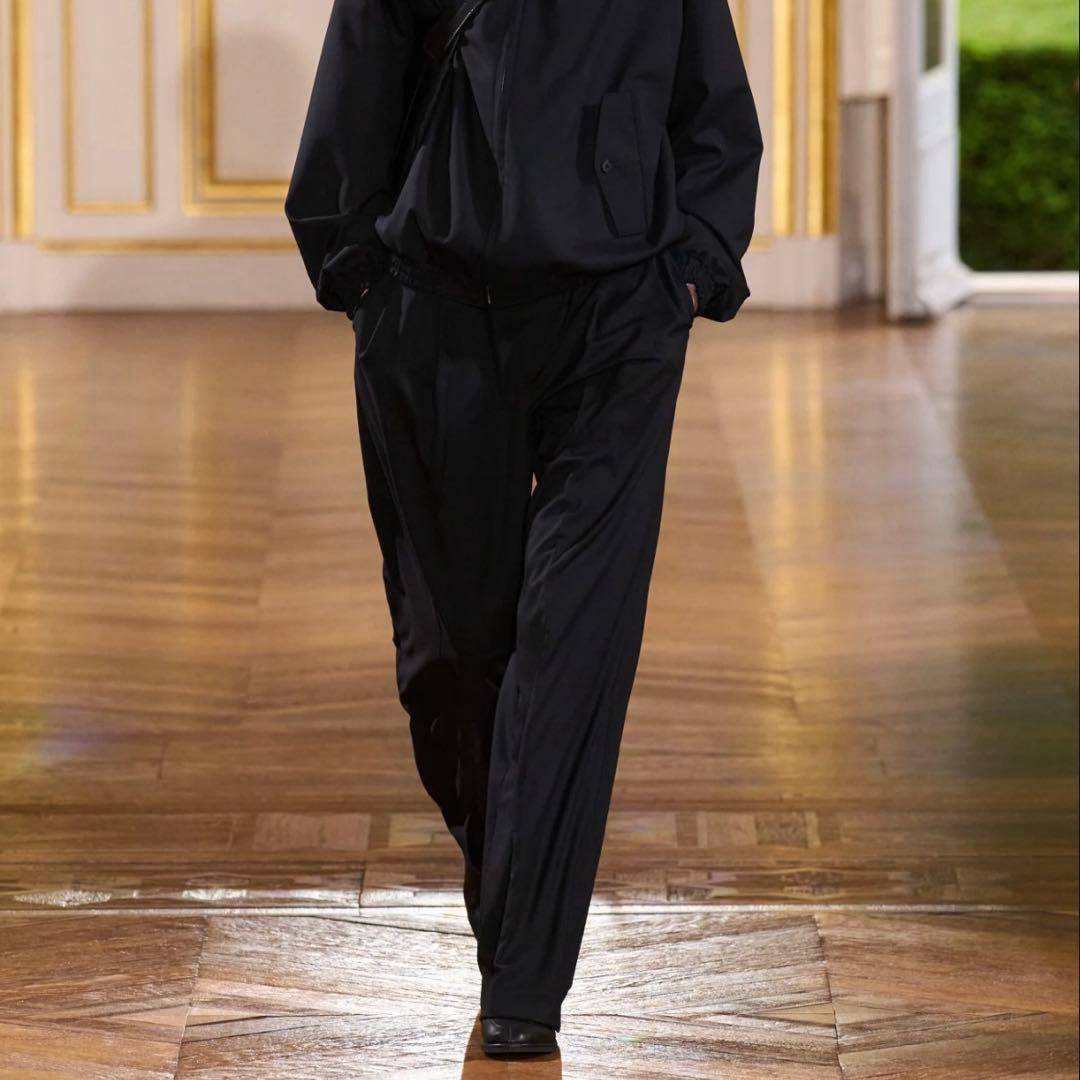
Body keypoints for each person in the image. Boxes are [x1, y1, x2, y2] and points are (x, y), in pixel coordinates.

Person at [285, 0, 761, 1057]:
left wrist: (690, 269)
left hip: (618, 319)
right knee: (448, 658)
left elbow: (714, 114)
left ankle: (525, 982)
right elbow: (352, 102)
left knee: (572, 639)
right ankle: (518, 899)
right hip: (434, 317)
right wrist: (362, 277)